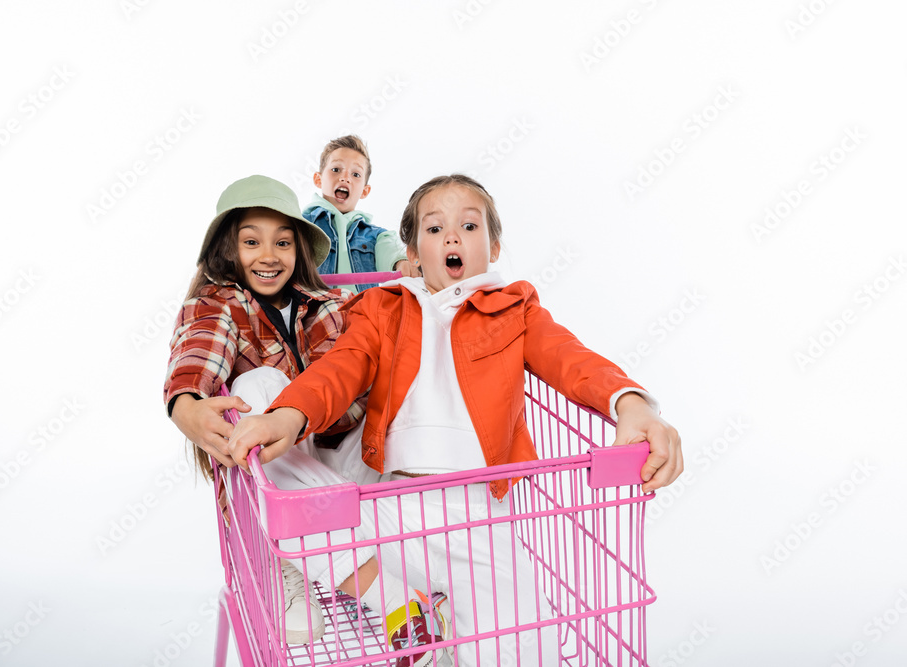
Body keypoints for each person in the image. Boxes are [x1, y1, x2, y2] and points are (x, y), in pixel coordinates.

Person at [226, 174, 684, 666]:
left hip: (480, 518)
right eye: (434, 227)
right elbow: (341, 368)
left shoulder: (516, 309)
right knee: (267, 453)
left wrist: (632, 403)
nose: (451, 237)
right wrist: (289, 417)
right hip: (390, 512)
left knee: (528, 653)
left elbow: (570, 359)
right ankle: (398, 604)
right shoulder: (383, 307)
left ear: (494, 246)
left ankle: (436, 629)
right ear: (413, 251)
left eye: (468, 225)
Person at [163, 174, 369, 644]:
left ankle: (323, 545)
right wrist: (186, 405)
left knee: (380, 406)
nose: (269, 255)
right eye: (251, 241)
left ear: (298, 248)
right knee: (256, 384)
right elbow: (198, 351)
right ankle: (301, 561)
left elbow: (357, 371)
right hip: (274, 478)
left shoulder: (327, 304)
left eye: (282, 241)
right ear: (227, 250)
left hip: (336, 458)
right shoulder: (217, 305)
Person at [303, 134, 419, 291]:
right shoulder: (300, 224)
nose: (345, 178)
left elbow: (390, 251)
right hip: (316, 310)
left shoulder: (376, 236)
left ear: (365, 191)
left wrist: (401, 262)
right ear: (318, 179)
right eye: (336, 169)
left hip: (360, 312)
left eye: (355, 174)